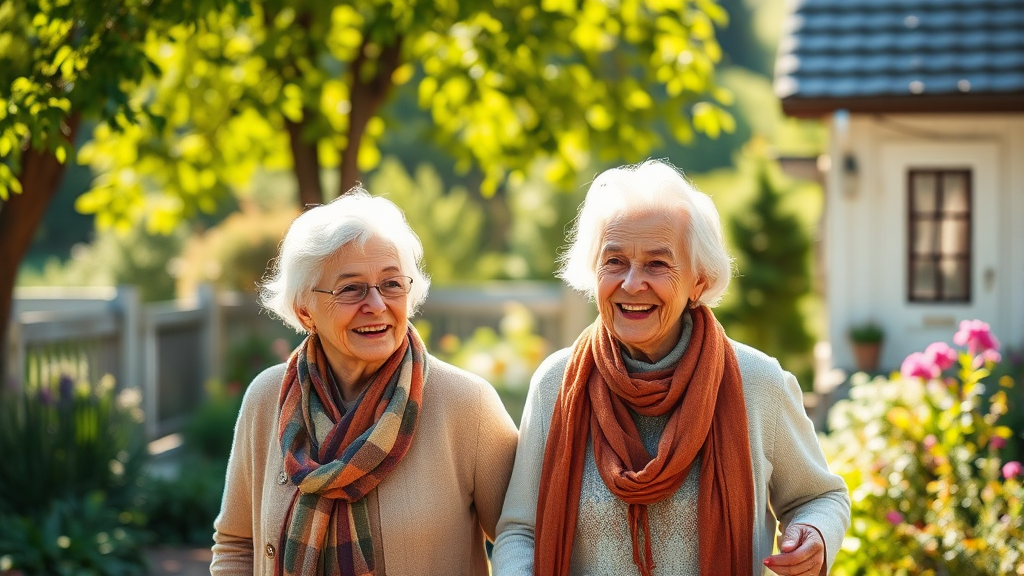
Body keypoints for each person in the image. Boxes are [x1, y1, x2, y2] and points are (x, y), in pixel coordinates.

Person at [492, 160, 850, 576]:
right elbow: (520, 531)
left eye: (657, 264)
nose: (630, 284)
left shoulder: (757, 382)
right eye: (614, 261)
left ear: (699, 280)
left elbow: (820, 496)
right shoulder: (556, 384)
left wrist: (812, 535)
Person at [211, 190, 518, 575]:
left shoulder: (466, 404)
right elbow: (236, 545)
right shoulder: (267, 398)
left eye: (391, 284)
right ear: (305, 309)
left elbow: (521, 536)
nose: (375, 304)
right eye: (351, 288)